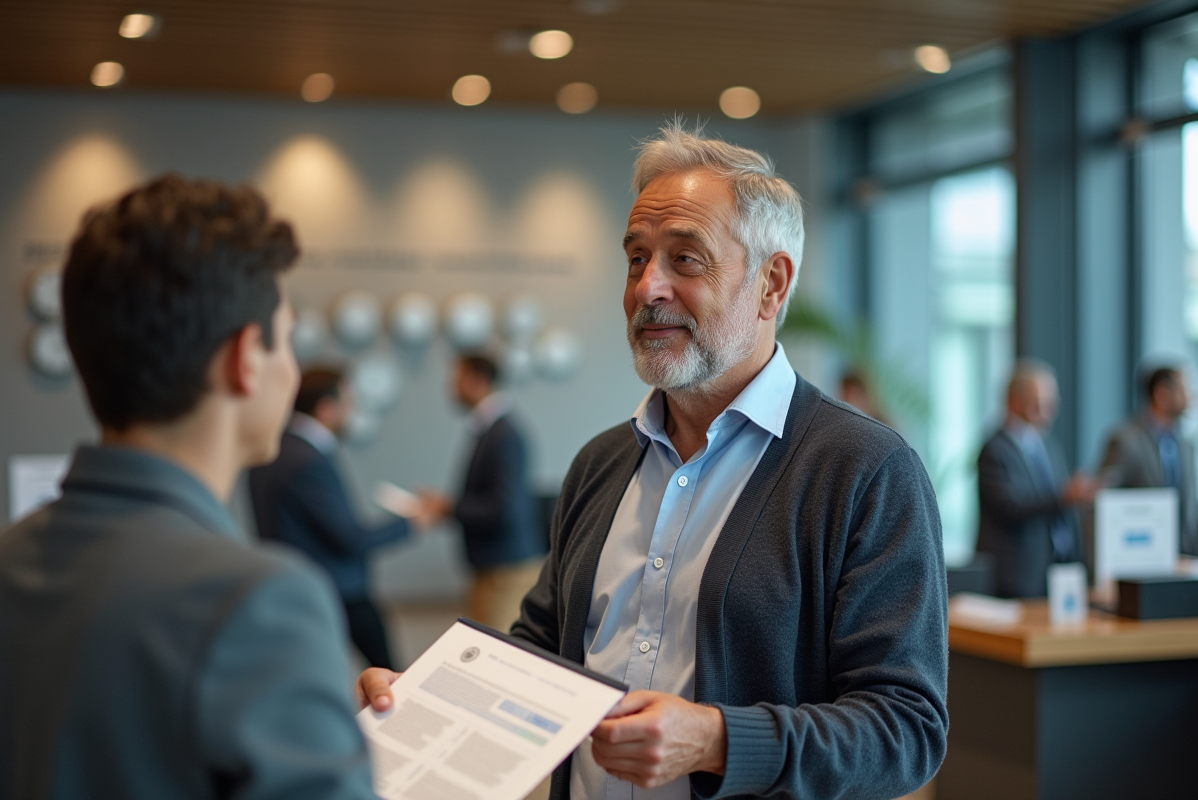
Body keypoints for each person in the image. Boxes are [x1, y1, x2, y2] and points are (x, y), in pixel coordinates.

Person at [361, 124, 948, 799]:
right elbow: (542, 650)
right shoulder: (600, 463)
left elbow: (907, 730)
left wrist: (717, 740)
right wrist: (433, 700)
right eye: (637, 259)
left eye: (685, 260)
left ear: (771, 285)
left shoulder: (865, 471)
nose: (647, 288)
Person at [0, 176, 375, 798]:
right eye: (287, 338)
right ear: (245, 358)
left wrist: (313, 722)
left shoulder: (10, 558)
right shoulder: (260, 602)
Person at [249, 365, 412, 669]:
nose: (351, 412)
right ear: (326, 408)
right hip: (337, 590)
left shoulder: (272, 448)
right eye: (348, 403)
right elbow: (348, 538)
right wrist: (411, 523)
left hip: (292, 584)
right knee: (391, 676)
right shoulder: (309, 460)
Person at [420, 354, 545, 633]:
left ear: (478, 381)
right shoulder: (490, 429)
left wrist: (448, 508)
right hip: (493, 566)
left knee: (498, 656)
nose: (450, 389)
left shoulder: (503, 434)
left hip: (506, 570)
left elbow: (503, 508)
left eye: (456, 380)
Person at [976, 360, 1096, 598]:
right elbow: (1011, 506)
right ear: (1014, 400)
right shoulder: (995, 449)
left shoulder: (1047, 445)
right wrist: (1064, 495)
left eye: (1051, 402)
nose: (1049, 408)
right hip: (1015, 575)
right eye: (1040, 401)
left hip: (1054, 571)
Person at [1099, 365, 1198, 556]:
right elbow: (1103, 503)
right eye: (1184, 389)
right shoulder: (1125, 440)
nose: (1191, 396)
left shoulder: (1186, 445)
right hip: (1140, 557)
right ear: (1162, 394)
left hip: (1183, 557)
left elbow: (1190, 507)